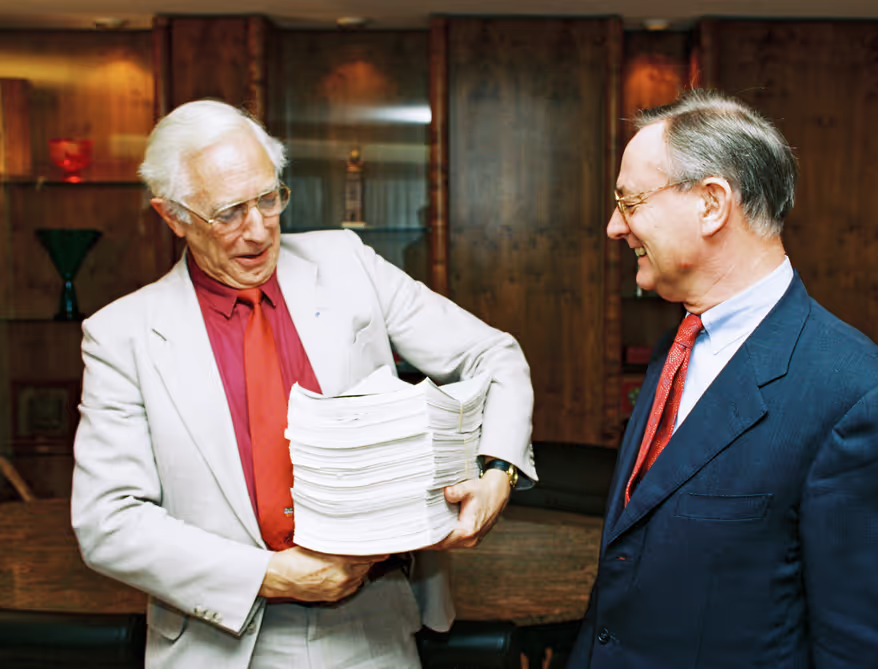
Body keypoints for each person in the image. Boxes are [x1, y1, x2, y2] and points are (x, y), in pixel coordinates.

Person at [71, 99, 536, 669]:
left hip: (374, 624)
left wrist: (499, 472)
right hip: (219, 639)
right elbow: (108, 522)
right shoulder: (123, 335)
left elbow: (494, 354)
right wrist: (269, 576)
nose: (259, 229)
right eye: (229, 212)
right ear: (173, 216)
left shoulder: (346, 262)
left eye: (269, 198)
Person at [568, 89, 878, 668]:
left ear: (712, 204)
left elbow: (876, 653)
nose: (615, 226)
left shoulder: (863, 400)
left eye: (630, 201)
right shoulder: (678, 347)